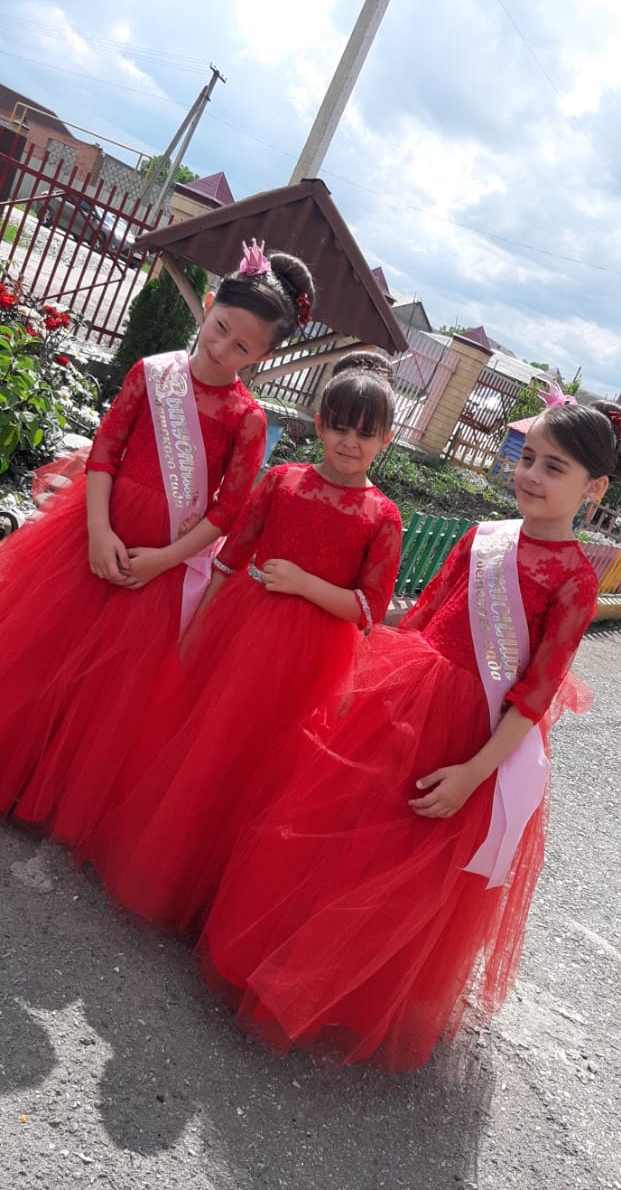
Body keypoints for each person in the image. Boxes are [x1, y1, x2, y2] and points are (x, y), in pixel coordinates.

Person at [199, 401, 621, 1072]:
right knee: (337, 828)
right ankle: (275, 953)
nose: (531, 476)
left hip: (466, 733)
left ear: (593, 489)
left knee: (396, 860)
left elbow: (535, 693)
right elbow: (423, 615)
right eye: (528, 460)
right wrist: (368, 683)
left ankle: (337, 989)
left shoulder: (574, 578)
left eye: (554, 468)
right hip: (403, 696)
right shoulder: (483, 534)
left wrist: (473, 773)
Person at [0, 240, 314, 845]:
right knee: (46, 652)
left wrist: (165, 560)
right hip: (95, 529)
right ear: (210, 304)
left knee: (108, 688)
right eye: (220, 329)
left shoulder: (247, 418)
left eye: (242, 347)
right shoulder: (153, 373)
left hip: (162, 563)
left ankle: (51, 790)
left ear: (264, 356)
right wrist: (98, 530)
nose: (222, 349)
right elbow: (106, 450)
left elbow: (227, 510)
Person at [85, 350, 403, 933]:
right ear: (319, 423)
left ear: (386, 439)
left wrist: (305, 584)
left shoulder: (383, 516)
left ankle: (217, 892)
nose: (349, 442)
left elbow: (369, 608)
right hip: (242, 633)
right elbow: (230, 559)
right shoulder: (281, 481)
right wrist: (200, 625)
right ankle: (166, 868)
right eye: (339, 427)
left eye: (365, 433)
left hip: (311, 658)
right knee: (207, 748)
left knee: (265, 767)